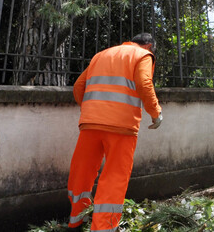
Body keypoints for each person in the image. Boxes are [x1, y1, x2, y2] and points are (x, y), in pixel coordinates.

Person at [66, 33, 163, 230]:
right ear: (149, 46)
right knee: (114, 177)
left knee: (81, 171)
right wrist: (156, 113)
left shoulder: (101, 55)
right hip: (122, 127)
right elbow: (144, 84)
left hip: (90, 123)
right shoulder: (142, 55)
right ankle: (103, 227)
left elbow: (78, 86)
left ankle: (76, 220)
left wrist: (91, 109)